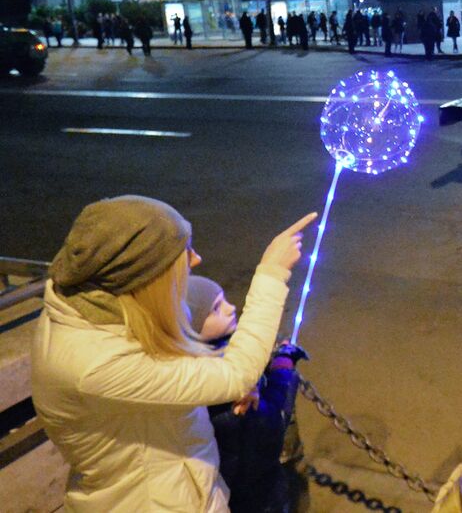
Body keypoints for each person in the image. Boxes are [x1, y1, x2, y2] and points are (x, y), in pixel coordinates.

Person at [30, 195, 316, 513]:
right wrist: (272, 272)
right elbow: (236, 375)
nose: (196, 259)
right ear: (142, 274)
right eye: (183, 252)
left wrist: (217, 371)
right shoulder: (94, 364)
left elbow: (166, 364)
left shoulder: (97, 309)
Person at [187, 275, 305, 513]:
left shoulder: (190, 369)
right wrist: (283, 368)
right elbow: (272, 422)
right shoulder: (229, 391)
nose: (231, 308)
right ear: (192, 327)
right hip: (253, 496)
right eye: (216, 309)